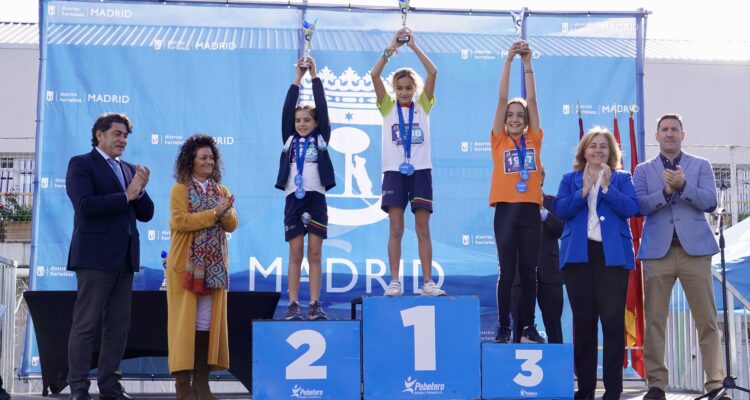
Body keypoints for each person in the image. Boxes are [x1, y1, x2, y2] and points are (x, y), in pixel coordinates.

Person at [634, 114, 728, 400]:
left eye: (675, 129)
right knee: (655, 321)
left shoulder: (700, 166)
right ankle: (657, 385)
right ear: (657, 135)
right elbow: (639, 206)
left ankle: (715, 385)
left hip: (695, 252)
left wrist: (684, 186)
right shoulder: (642, 170)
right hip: (657, 253)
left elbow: (711, 201)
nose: (670, 133)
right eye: (664, 129)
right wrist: (665, 191)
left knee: (707, 321)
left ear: (682, 135)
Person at [65, 112, 154, 400]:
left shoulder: (130, 169)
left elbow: (147, 213)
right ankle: (79, 388)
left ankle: (110, 387)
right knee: (86, 326)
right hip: (94, 258)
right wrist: (125, 196)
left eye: (126, 135)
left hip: (124, 259)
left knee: (118, 328)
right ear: (99, 135)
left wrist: (139, 192)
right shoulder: (81, 164)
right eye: (117, 133)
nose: (123, 139)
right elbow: (86, 206)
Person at [554, 127, 639, 400]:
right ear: (584, 151)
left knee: (613, 322)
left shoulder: (623, 178)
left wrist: (606, 188)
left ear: (611, 152)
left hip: (612, 258)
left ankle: (613, 390)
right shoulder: (570, 179)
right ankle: (587, 389)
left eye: (604, 146)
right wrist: (584, 190)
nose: (598, 150)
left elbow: (631, 208)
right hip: (578, 257)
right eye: (593, 146)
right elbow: (561, 210)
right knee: (584, 321)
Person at [370, 27, 445, 297]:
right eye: (399, 88)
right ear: (394, 90)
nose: (404, 92)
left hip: (421, 171)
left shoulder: (423, 105)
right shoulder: (387, 107)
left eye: (408, 88)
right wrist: (391, 47)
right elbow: (374, 74)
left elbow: (433, 72)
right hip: (393, 172)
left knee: (423, 227)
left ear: (415, 89)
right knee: (397, 227)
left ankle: (427, 282)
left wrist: (413, 46)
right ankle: (394, 281)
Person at [167, 134, 238, 400]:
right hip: (186, 267)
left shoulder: (222, 190)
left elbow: (231, 225)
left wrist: (226, 212)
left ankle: (202, 382)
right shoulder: (180, 189)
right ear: (191, 161)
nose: (209, 161)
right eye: (203, 157)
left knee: (206, 324)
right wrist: (215, 214)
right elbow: (181, 221)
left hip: (215, 268)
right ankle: (182, 384)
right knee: (184, 324)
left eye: (211, 157)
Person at [490, 39, 544, 343]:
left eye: (518, 116)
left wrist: (528, 64)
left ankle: (527, 326)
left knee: (529, 272)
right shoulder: (498, 140)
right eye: (510, 115)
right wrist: (509, 60)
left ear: (525, 123)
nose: (513, 118)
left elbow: (533, 102)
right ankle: (503, 326)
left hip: (529, 210)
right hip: (506, 210)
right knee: (507, 272)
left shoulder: (534, 139)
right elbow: (500, 100)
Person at [275, 57, 334, 320]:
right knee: (296, 252)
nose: (300, 124)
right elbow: (287, 109)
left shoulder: (321, 139)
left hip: (316, 199)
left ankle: (314, 304)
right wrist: (297, 78)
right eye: (298, 120)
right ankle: (293, 304)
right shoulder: (288, 139)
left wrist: (315, 76)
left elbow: (322, 107)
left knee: (315, 253)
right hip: (293, 200)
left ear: (316, 123)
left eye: (306, 120)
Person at [510, 168, 565, 343]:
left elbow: (562, 229)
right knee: (519, 330)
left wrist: (542, 212)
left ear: (541, 178)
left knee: (554, 327)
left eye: (535, 175)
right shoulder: (511, 204)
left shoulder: (554, 203)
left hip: (549, 273)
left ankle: (557, 369)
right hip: (520, 274)